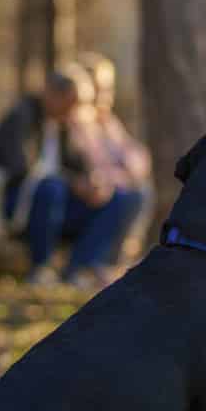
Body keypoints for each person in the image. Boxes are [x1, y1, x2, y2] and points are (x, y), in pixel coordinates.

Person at [0, 65, 143, 287]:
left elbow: (78, 165)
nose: (73, 111)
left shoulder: (63, 125)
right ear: (52, 94)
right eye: (71, 103)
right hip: (19, 205)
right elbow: (20, 168)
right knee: (52, 187)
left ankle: (80, 267)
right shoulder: (22, 116)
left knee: (125, 198)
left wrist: (92, 183)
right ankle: (41, 267)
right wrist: (72, 183)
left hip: (59, 204)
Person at [73, 51, 155, 261]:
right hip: (87, 191)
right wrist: (124, 175)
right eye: (101, 89)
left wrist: (128, 171)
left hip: (115, 186)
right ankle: (91, 263)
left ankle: (116, 259)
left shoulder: (108, 122)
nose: (106, 96)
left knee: (140, 192)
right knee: (129, 196)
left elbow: (138, 158)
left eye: (109, 89)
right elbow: (93, 164)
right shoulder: (79, 122)